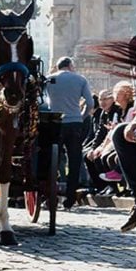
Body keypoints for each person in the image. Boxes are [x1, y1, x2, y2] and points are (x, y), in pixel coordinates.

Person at [46, 56, 94, 210]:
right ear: (70, 66)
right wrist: (82, 116)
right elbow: (90, 103)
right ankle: (70, 198)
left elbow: (43, 100)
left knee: (52, 160)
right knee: (74, 160)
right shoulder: (80, 79)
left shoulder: (50, 79)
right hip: (74, 122)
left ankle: (49, 193)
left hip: (55, 122)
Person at [82, 89, 122, 193]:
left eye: (105, 99)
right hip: (105, 142)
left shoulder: (117, 110)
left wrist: (101, 148)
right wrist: (93, 148)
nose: (103, 102)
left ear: (112, 99)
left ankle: (113, 187)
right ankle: (100, 186)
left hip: (114, 142)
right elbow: (99, 133)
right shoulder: (103, 113)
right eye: (100, 99)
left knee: (102, 156)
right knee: (88, 157)